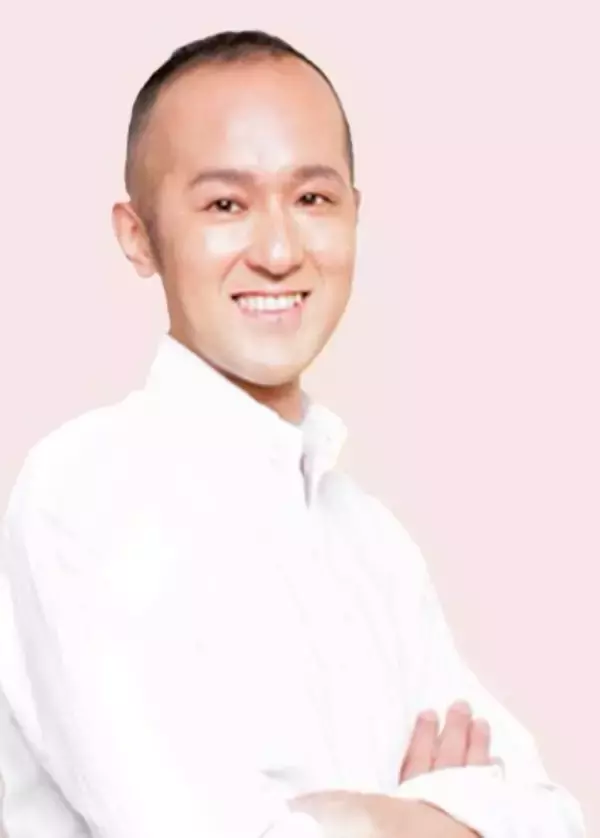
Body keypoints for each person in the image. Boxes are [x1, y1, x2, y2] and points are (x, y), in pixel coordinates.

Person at [0, 30, 585, 838]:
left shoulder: (373, 543)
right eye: (225, 205)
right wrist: (437, 820)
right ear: (138, 236)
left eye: (312, 199)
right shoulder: (87, 493)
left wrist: (362, 818)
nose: (279, 252)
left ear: (354, 214)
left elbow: (557, 820)